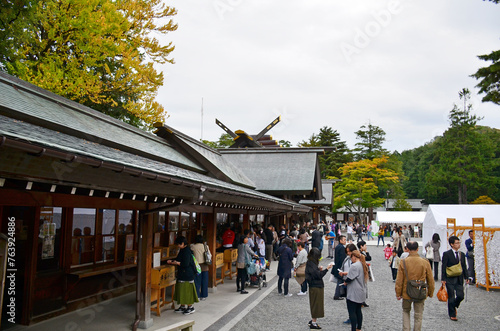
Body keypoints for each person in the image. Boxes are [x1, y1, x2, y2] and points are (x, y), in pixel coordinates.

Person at [395, 241, 435, 331]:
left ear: (407, 249)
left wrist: (398, 293)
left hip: (406, 291)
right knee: (418, 315)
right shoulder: (425, 262)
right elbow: (430, 280)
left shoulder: (404, 262)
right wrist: (430, 292)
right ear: (417, 249)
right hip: (420, 291)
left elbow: (399, 280)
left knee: (406, 311)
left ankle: (406, 329)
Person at [167, 236, 198, 315]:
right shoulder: (182, 250)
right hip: (182, 274)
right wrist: (173, 261)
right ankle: (182, 306)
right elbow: (178, 259)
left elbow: (185, 263)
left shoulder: (187, 251)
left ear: (183, 243)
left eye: (178, 244)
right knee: (181, 290)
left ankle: (190, 307)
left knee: (187, 291)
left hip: (187, 274)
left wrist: (175, 263)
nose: (178, 246)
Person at [441, 235, 469, 321]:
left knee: (461, 295)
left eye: (459, 242)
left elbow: (464, 266)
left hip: (459, 278)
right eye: (456, 243)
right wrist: (443, 279)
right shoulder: (447, 254)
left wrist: (466, 277)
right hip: (450, 278)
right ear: (452, 244)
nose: (458, 244)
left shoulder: (462, 254)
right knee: (451, 296)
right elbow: (443, 266)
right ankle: (452, 314)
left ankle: (454, 305)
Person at [340, 250, 368, 331]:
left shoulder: (354, 266)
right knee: (358, 310)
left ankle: (353, 329)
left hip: (354, 292)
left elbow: (350, 278)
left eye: (351, 257)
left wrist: (345, 282)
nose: (351, 259)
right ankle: (358, 328)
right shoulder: (362, 264)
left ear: (354, 257)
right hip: (361, 290)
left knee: (352, 311)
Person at [305, 247, 332, 329]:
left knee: (315, 304)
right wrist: (326, 269)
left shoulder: (311, 263)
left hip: (315, 286)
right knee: (316, 304)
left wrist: (319, 269)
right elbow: (318, 275)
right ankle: (314, 322)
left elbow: (315, 273)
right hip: (316, 286)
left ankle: (313, 320)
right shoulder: (311, 264)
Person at [190, 235, 209, 301]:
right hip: (205, 265)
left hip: (197, 266)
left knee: (197, 281)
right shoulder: (205, 246)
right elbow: (210, 255)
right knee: (204, 281)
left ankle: (197, 295)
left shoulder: (193, 246)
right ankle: (204, 295)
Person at [332, 235, 347, 300]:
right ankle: (337, 295)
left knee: (340, 281)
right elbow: (342, 259)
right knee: (340, 281)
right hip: (339, 267)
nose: (345, 241)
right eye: (344, 240)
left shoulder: (338, 247)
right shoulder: (341, 248)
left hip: (337, 266)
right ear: (340, 240)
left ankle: (338, 294)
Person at [357, 241, 371, 308]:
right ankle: (361, 301)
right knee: (362, 286)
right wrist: (366, 251)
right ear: (361, 246)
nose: (366, 247)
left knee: (364, 286)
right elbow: (369, 258)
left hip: (363, 271)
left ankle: (362, 300)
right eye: (365, 245)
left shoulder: (360, 253)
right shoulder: (359, 254)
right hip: (361, 271)